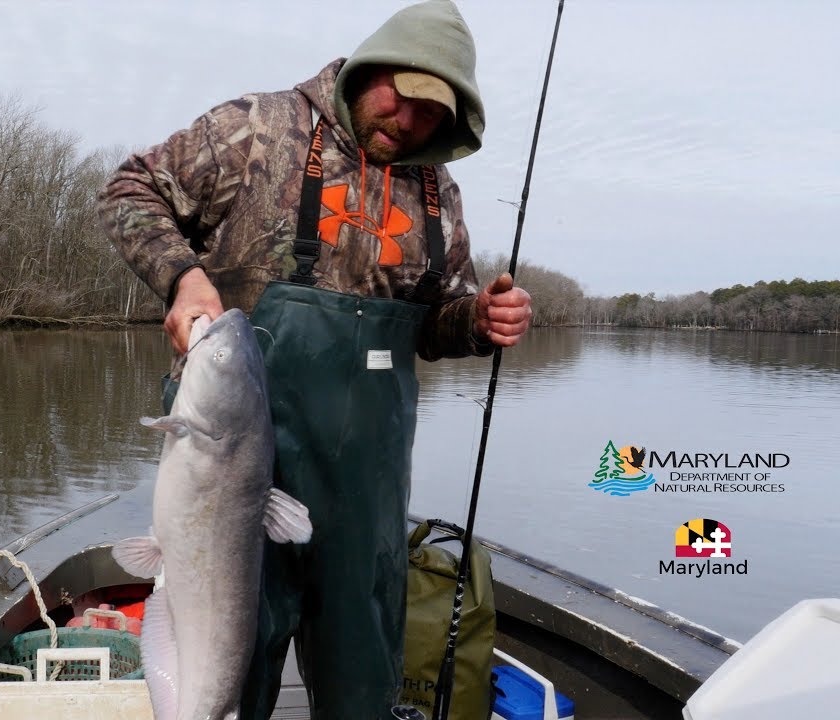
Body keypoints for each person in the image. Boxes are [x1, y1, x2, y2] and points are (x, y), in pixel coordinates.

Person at [97, 1, 532, 717]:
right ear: (372, 68)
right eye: (408, 100)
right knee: (231, 668)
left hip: (366, 488)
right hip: (237, 464)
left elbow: (434, 323)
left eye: (435, 118)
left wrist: (481, 320)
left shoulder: (436, 191)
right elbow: (129, 190)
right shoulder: (256, 128)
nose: (414, 124)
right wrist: (184, 277)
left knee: (363, 681)